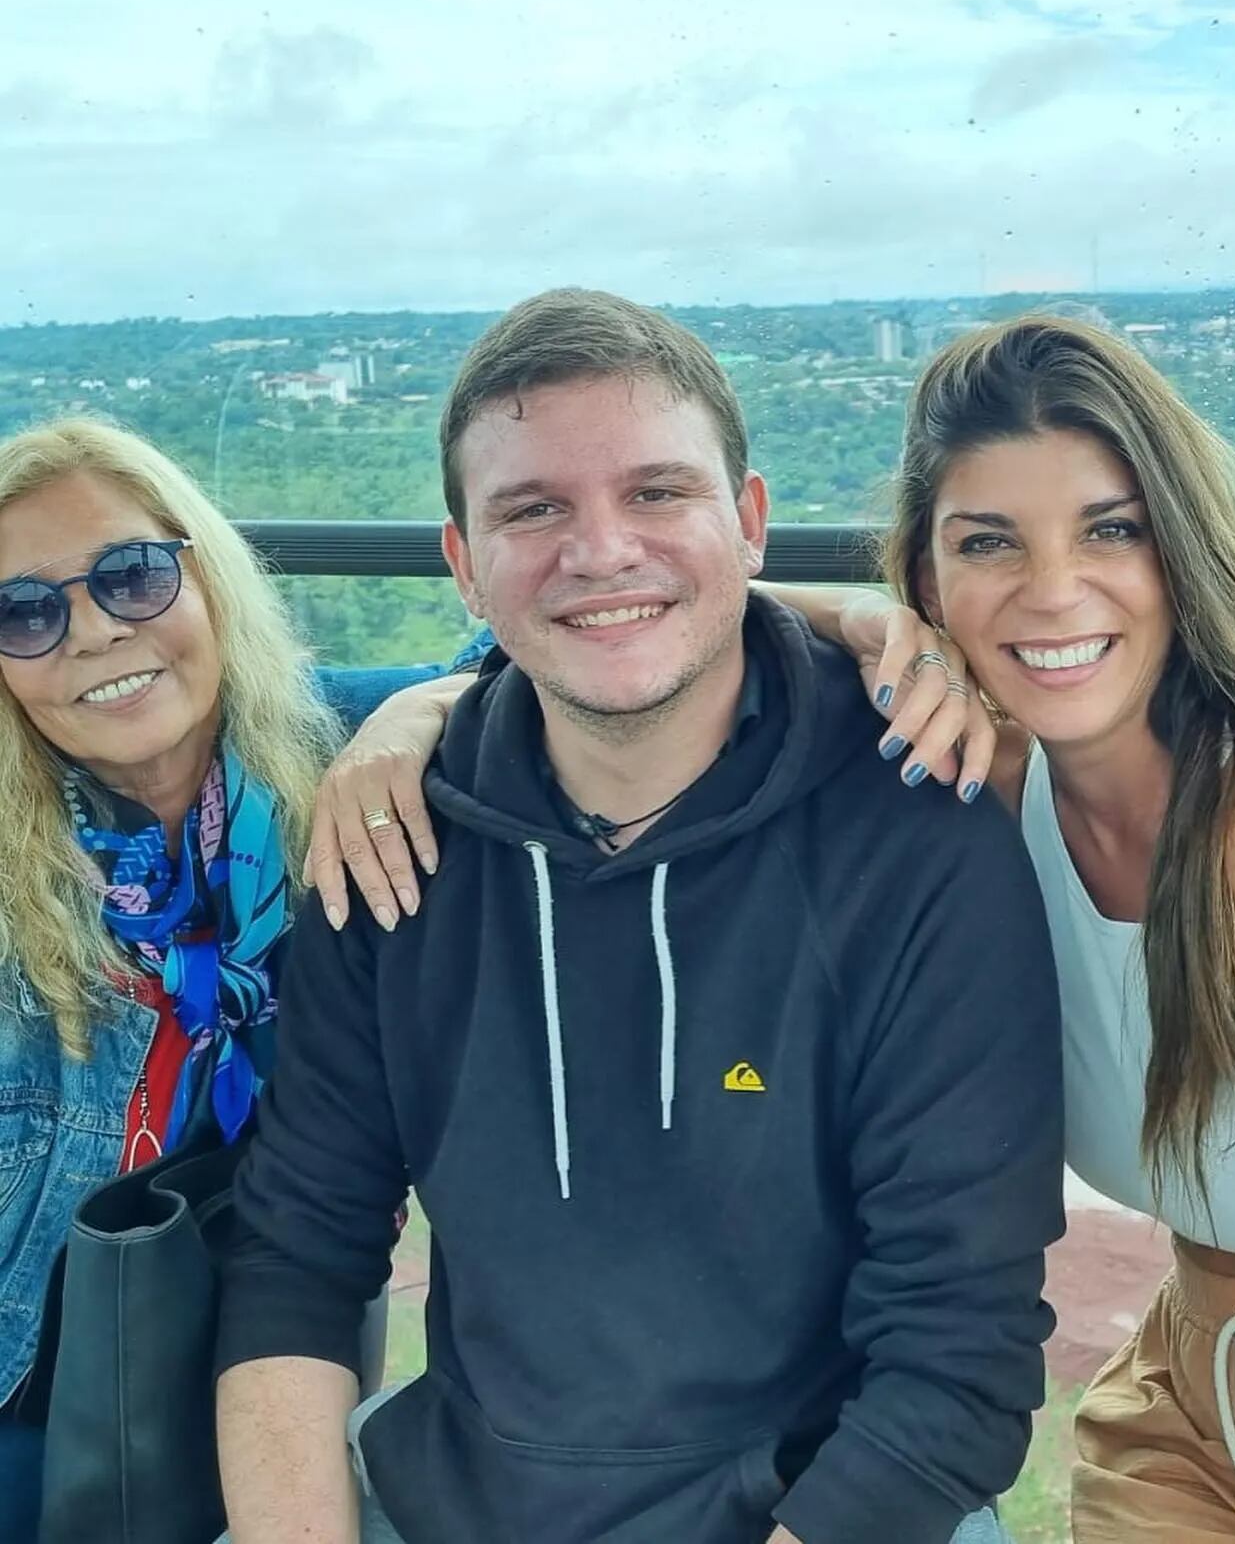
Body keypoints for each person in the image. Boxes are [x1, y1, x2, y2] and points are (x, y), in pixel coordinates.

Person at [213, 288, 1065, 1544]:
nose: (601, 550)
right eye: (532, 509)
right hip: (454, 1500)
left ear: (751, 520)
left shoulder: (917, 835)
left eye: (659, 493)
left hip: (823, 1507)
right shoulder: (388, 842)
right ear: (461, 561)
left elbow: (958, 1360)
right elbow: (298, 1253)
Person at [762, 315, 1235, 1544]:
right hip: (1192, 1388)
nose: (1055, 590)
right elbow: (683, 621)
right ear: (928, 579)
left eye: (1110, 528)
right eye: (988, 543)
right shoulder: (991, 789)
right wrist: (425, 714)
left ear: (1178, 550)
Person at [0, 416, 482, 1544]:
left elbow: (585, 649)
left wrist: (421, 711)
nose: (91, 634)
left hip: (269, 1369)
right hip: (27, 1405)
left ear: (203, 573)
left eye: (130, 576)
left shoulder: (338, 754)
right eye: (25, 610)